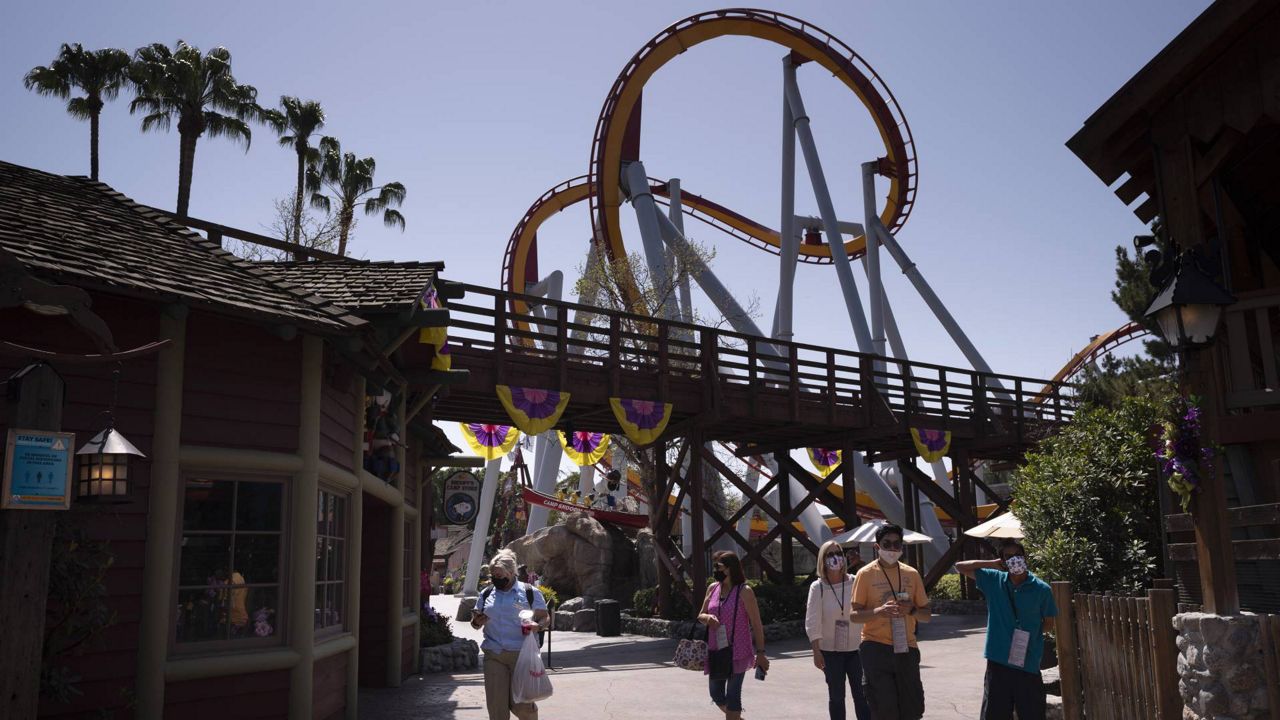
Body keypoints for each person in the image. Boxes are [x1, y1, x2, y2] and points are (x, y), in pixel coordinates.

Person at [956, 539, 1058, 720]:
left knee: (1032, 713)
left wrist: (1030, 635)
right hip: (998, 662)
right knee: (995, 714)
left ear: (1025, 557)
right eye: (1008, 556)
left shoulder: (1042, 589)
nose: (1014, 560)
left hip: (1028, 663)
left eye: (1018, 555)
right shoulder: (993, 580)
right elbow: (960, 566)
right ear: (1002, 560)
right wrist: (991, 564)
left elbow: (1049, 622)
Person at [850, 524, 931, 720]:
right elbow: (854, 615)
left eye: (897, 544)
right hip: (875, 647)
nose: (893, 549)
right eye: (887, 544)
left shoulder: (911, 573)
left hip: (907, 647)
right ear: (877, 547)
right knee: (884, 709)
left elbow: (926, 615)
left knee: (912, 709)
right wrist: (880, 611)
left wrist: (911, 609)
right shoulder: (865, 574)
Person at [471, 550, 550, 720]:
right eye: (493, 575)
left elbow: (545, 618)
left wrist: (538, 626)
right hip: (494, 654)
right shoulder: (486, 594)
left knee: (522, 705)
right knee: (496, 707)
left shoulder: (530, 592)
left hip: (521, 655)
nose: (495, 579)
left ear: (511, 572)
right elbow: (475, 624)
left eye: (499, 575)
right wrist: (478, 622)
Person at [696, 551, 770, 720]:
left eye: (719, 567)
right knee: (716, 693)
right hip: (717, 650)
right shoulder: (712, 588)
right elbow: (700, 614)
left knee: (733, 695)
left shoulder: (745, 591)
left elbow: (757, 624)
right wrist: (707, 618)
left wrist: (760, 653)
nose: (716, 570)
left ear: (730, 569)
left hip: (739, 651)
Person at [806, 540, 871, 720]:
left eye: (838, 553)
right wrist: (816, 651)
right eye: (830, 554)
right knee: (836, 697)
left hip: (857, 650)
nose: (835, 558)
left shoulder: (855, 581)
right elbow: (812, 621)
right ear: (822, 560)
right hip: (830, 652)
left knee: (863, 695)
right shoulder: (817, 587)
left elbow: (865, 610)